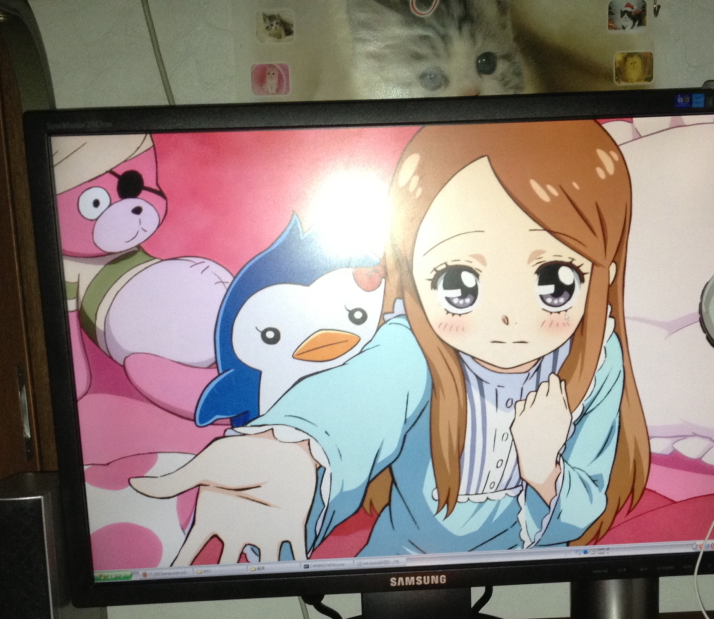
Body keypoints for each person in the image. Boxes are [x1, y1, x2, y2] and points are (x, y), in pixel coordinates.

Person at [132, 120, 650, 566]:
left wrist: (543, 468)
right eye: (459, 282)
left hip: (523, 578)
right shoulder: (413, 348)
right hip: (399, 560)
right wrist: (289, 452)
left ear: (602, 272)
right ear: (411, 270)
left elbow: (578, 515)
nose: (509, 316)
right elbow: (358, 399)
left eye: (555, 279)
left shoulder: (597, 359)